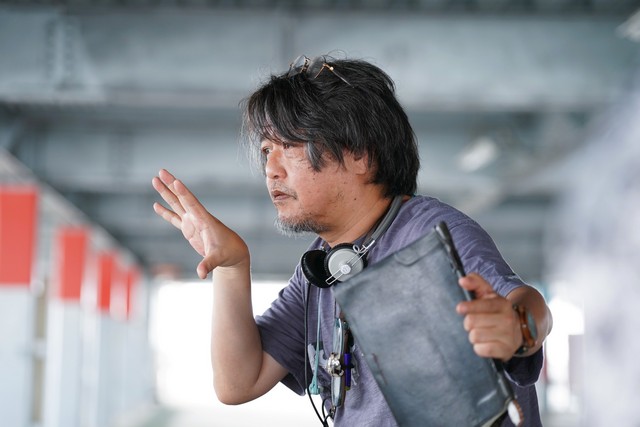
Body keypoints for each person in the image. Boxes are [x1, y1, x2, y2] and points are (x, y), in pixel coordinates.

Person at [152, 54, 552, 426]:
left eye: (289, 146)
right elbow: (239, 382)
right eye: (266, 150)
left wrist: (516, 327)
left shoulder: (429, 232)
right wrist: (232, 267)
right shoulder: (320, 270)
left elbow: (527, 303)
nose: (271, 169)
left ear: (359, 154)